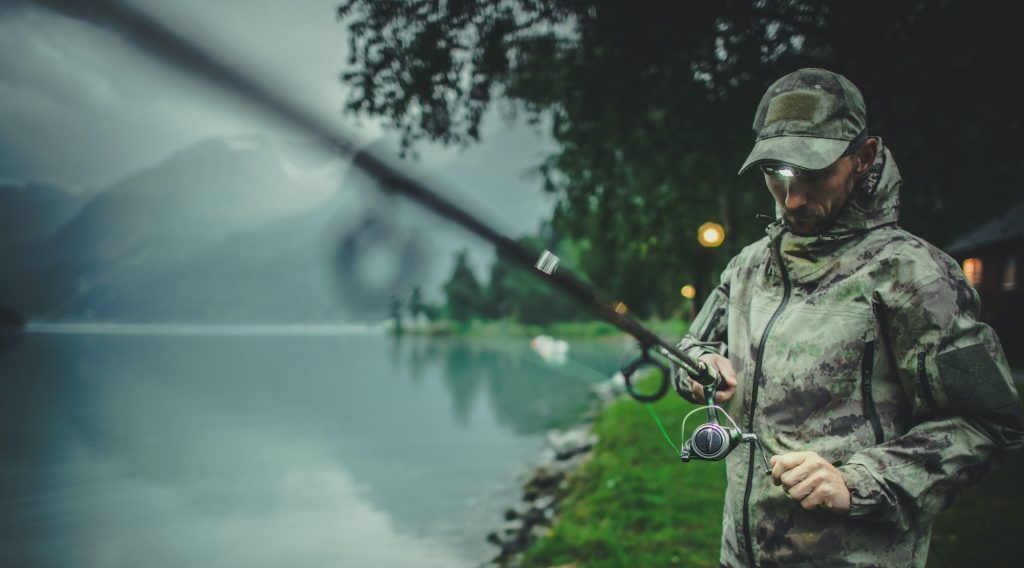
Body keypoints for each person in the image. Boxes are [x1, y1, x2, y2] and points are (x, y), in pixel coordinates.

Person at [674, 68, 1024, 567]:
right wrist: (701, 369)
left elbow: (989, 423)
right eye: (777, 173)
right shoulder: (747, 267)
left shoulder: (915, 275)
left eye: (813, 172)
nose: (792, 198)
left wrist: (858, 482)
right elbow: (690, 349)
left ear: (863, 159)